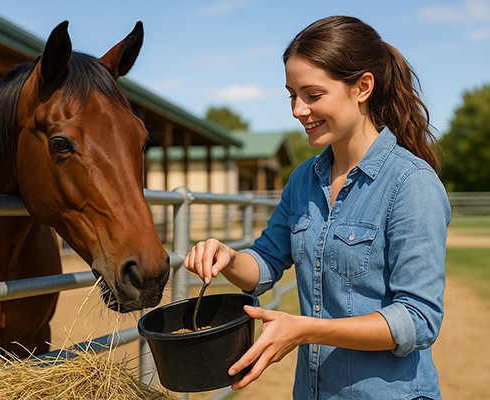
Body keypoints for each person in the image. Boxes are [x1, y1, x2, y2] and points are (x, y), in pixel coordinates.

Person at [184, 15, 450, 400]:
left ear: (362, 87)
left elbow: (418, 320)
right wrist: (227, 256)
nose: (297, 109)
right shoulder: (303, 180)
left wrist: (307, 328)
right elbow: (265, 265)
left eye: (312, 94)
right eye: (292, 94)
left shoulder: (411, 184)